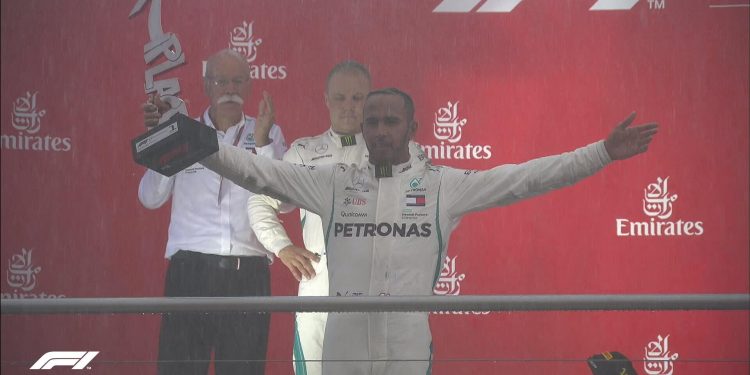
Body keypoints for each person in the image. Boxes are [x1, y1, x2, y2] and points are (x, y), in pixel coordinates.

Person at [196, 87, 658, 375]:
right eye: (371, 121)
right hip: (343, 343)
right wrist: (186, 140)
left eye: (390, 121)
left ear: (412, 128)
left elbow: (527, 178)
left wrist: (601, 153)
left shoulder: (442, 187)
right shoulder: (332, 182)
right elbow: (255, 174)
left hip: (406, 342)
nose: (379, 131)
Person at [247, 62, 428, 375]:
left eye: (358, 98)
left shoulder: (403, 151)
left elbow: (426, 212)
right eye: (340, 98)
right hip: (320, 297)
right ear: (326, 100)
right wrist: (283, 247)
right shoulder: (304, 153)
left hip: (382, 299)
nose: (348, 107)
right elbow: (260, 201)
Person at [138, 49, 287, 375]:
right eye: (221, 81)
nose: (229, 88)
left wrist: (263, 145)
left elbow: (284, 201)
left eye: (237, 81)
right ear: (206, 85)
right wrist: (166, 140)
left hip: (248, 275)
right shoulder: (182, 131)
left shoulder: (269, 132)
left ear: (249, 86)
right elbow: (150, 198)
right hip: (190, 272)